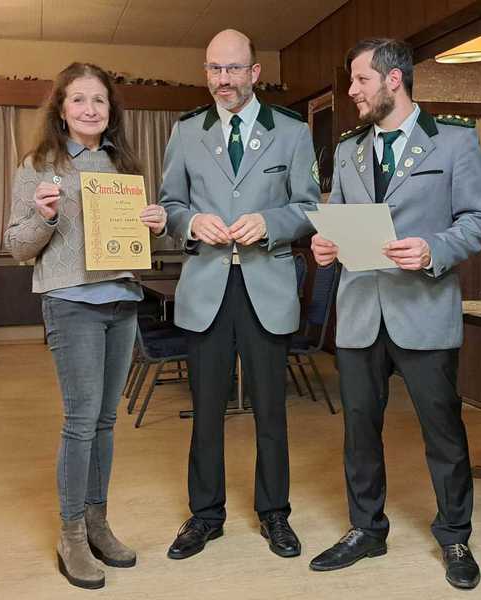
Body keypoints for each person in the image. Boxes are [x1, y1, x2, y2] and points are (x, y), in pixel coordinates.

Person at [308, 38, 481, 590]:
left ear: (394, 80)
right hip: (360, 312)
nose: (352, 90)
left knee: (443, 432)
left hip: (424, 309)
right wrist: (325, 245)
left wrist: (434, 248)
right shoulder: (348, 150)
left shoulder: (455, 141)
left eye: (361, 80)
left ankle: (455, 535)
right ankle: (366, 529)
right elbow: (340, 220)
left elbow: (479, 219)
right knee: (359, 431)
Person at [4, 62, 166, 589]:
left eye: (99, 100)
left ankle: (98, 521)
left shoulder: (124, 164)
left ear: (110, 110)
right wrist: (45, 216)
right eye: (78, 99)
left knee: (105, 422)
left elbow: (140, 241)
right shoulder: (38, 165)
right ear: (61, 108)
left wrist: (155, 225)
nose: (90, 109)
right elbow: (17, 246)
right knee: (80, 421)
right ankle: (71, 533)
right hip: (71, 302)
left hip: (122, 299)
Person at [159, 29, 318, 561]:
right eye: (213, 69)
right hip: (206, 287)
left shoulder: (292, 132)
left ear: (254, 72)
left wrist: (271, 222)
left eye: (232, 69)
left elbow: (308, 207)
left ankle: (275, 512)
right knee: (206, 410)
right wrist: (190, 222)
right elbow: (169, 205)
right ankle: (206, 515)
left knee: (271, 410)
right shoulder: (186, 132)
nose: (222, 79)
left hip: (266, 285)